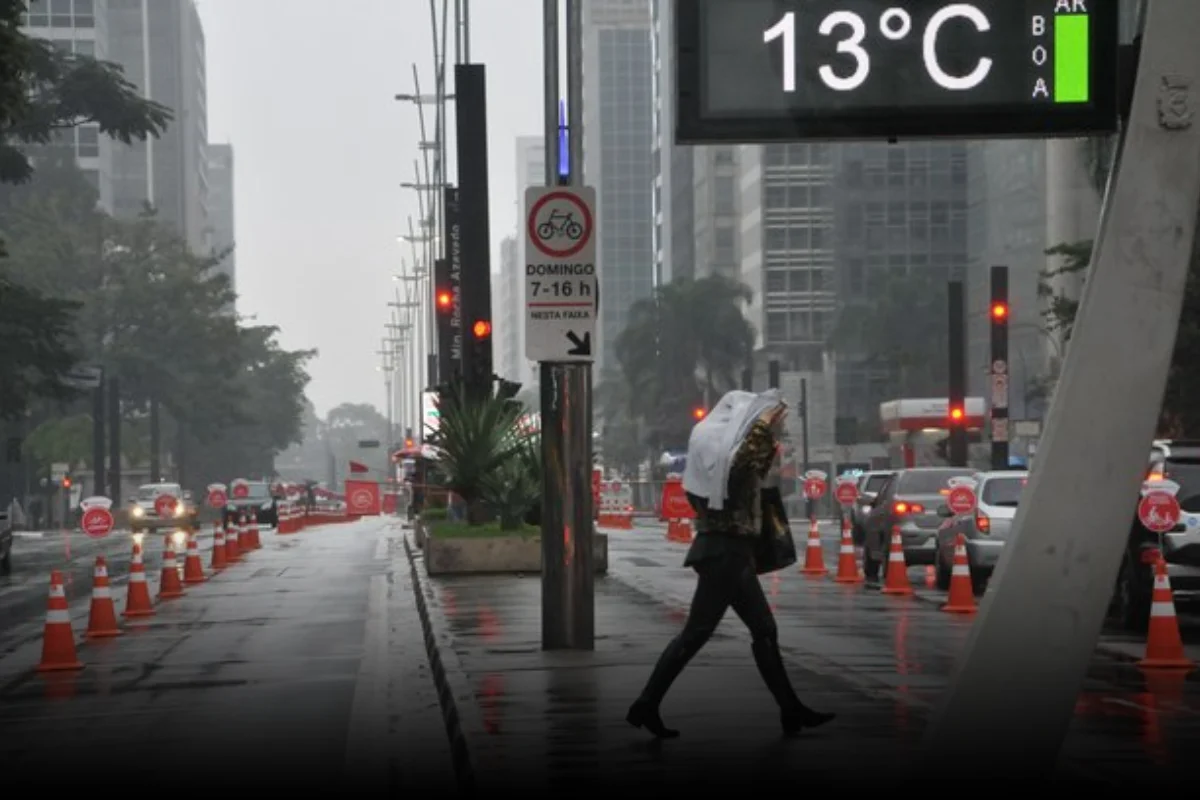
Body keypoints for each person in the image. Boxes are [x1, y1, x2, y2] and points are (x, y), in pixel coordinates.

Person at [626, 389, 836, 739]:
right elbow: (743, 467)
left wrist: (766, 430)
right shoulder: (727, 465)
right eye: (771, 422)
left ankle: (791, 710)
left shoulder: (712, 469)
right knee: (697, 633)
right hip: (724, 554)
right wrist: (762, 425)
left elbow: (751, 471)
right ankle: (646, 704)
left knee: (764, 630)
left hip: (730, 553)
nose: (775, 427)